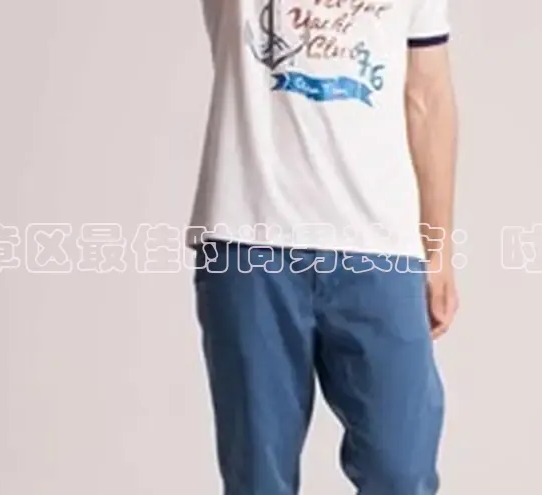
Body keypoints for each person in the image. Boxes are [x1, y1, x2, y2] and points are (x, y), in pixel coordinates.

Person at [187, 0, 459, 492]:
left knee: (401, 470)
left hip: (379, 245)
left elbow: (428, 97)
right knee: (258, 478)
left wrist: (437, 248)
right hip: (252, 237)